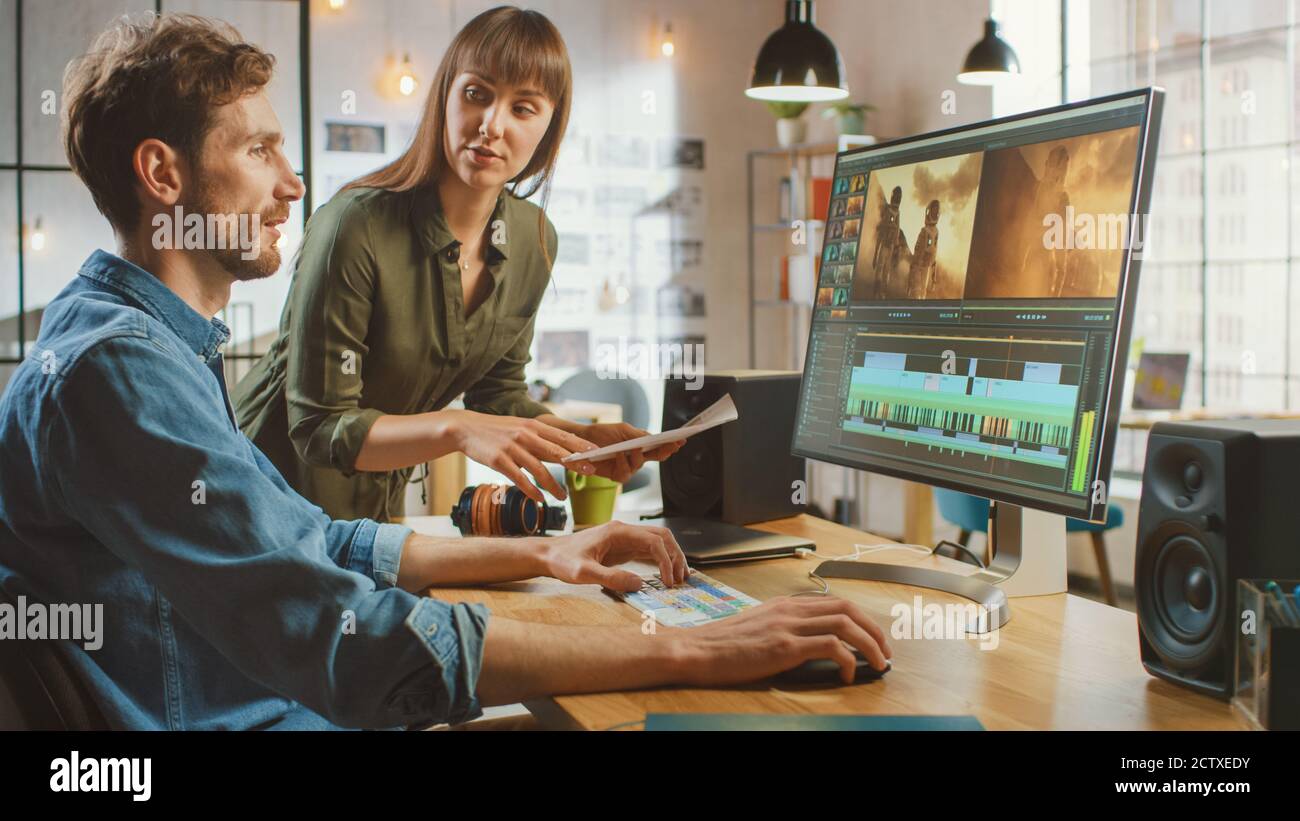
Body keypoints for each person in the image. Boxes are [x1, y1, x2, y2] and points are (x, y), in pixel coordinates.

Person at [0, 12, 890, 731]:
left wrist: (549, 548)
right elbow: (340, 633)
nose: (293, 185)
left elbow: (317, 542)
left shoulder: (148, 345)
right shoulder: (117, 374)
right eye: (260, 151)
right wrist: (697, 645)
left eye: (525, 108)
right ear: (162, 174)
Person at [232, 5, 678, 522]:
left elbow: (499, 396)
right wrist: (454, 430)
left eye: (524, 108)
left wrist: (584, 442)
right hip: (257, 498)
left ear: (550, 125)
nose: (492, 125)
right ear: (445, 94)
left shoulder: (534, 239)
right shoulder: (354, 225)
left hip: (370, 512)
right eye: (476, 95)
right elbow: (319, 427)